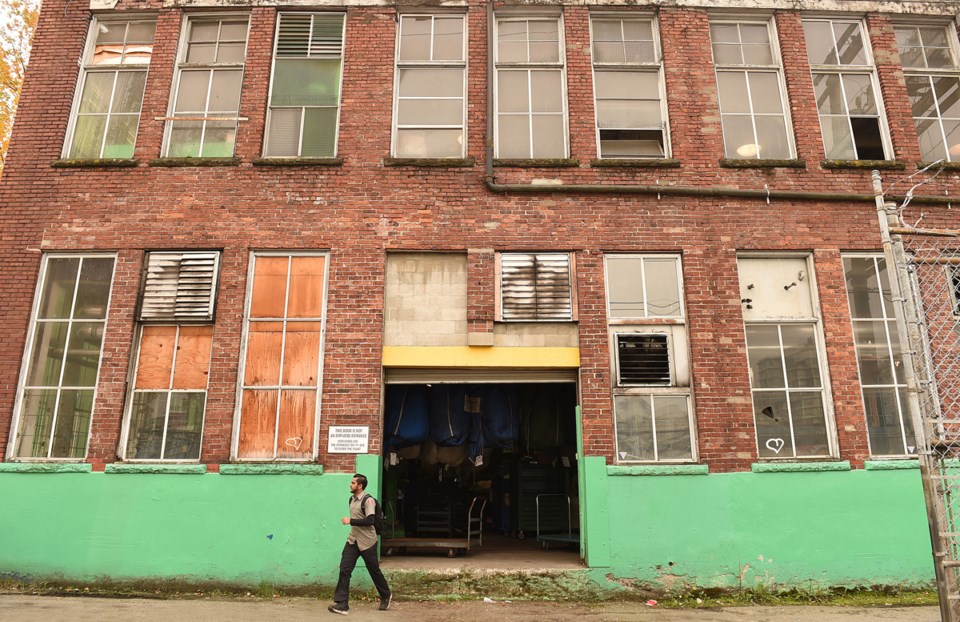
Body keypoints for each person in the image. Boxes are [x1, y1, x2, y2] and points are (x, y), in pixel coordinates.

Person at [329, 473, 392, 615]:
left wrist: (350, 521)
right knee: (345, 569)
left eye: (353, 483)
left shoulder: (368, 501)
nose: (350, 485)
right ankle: (342, 604)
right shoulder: (351, 499)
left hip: (368, 542)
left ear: (360, 486)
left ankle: (386, 595)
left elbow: (370, 520)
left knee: (373, 570)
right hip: (353, 540)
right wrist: (352, 524)